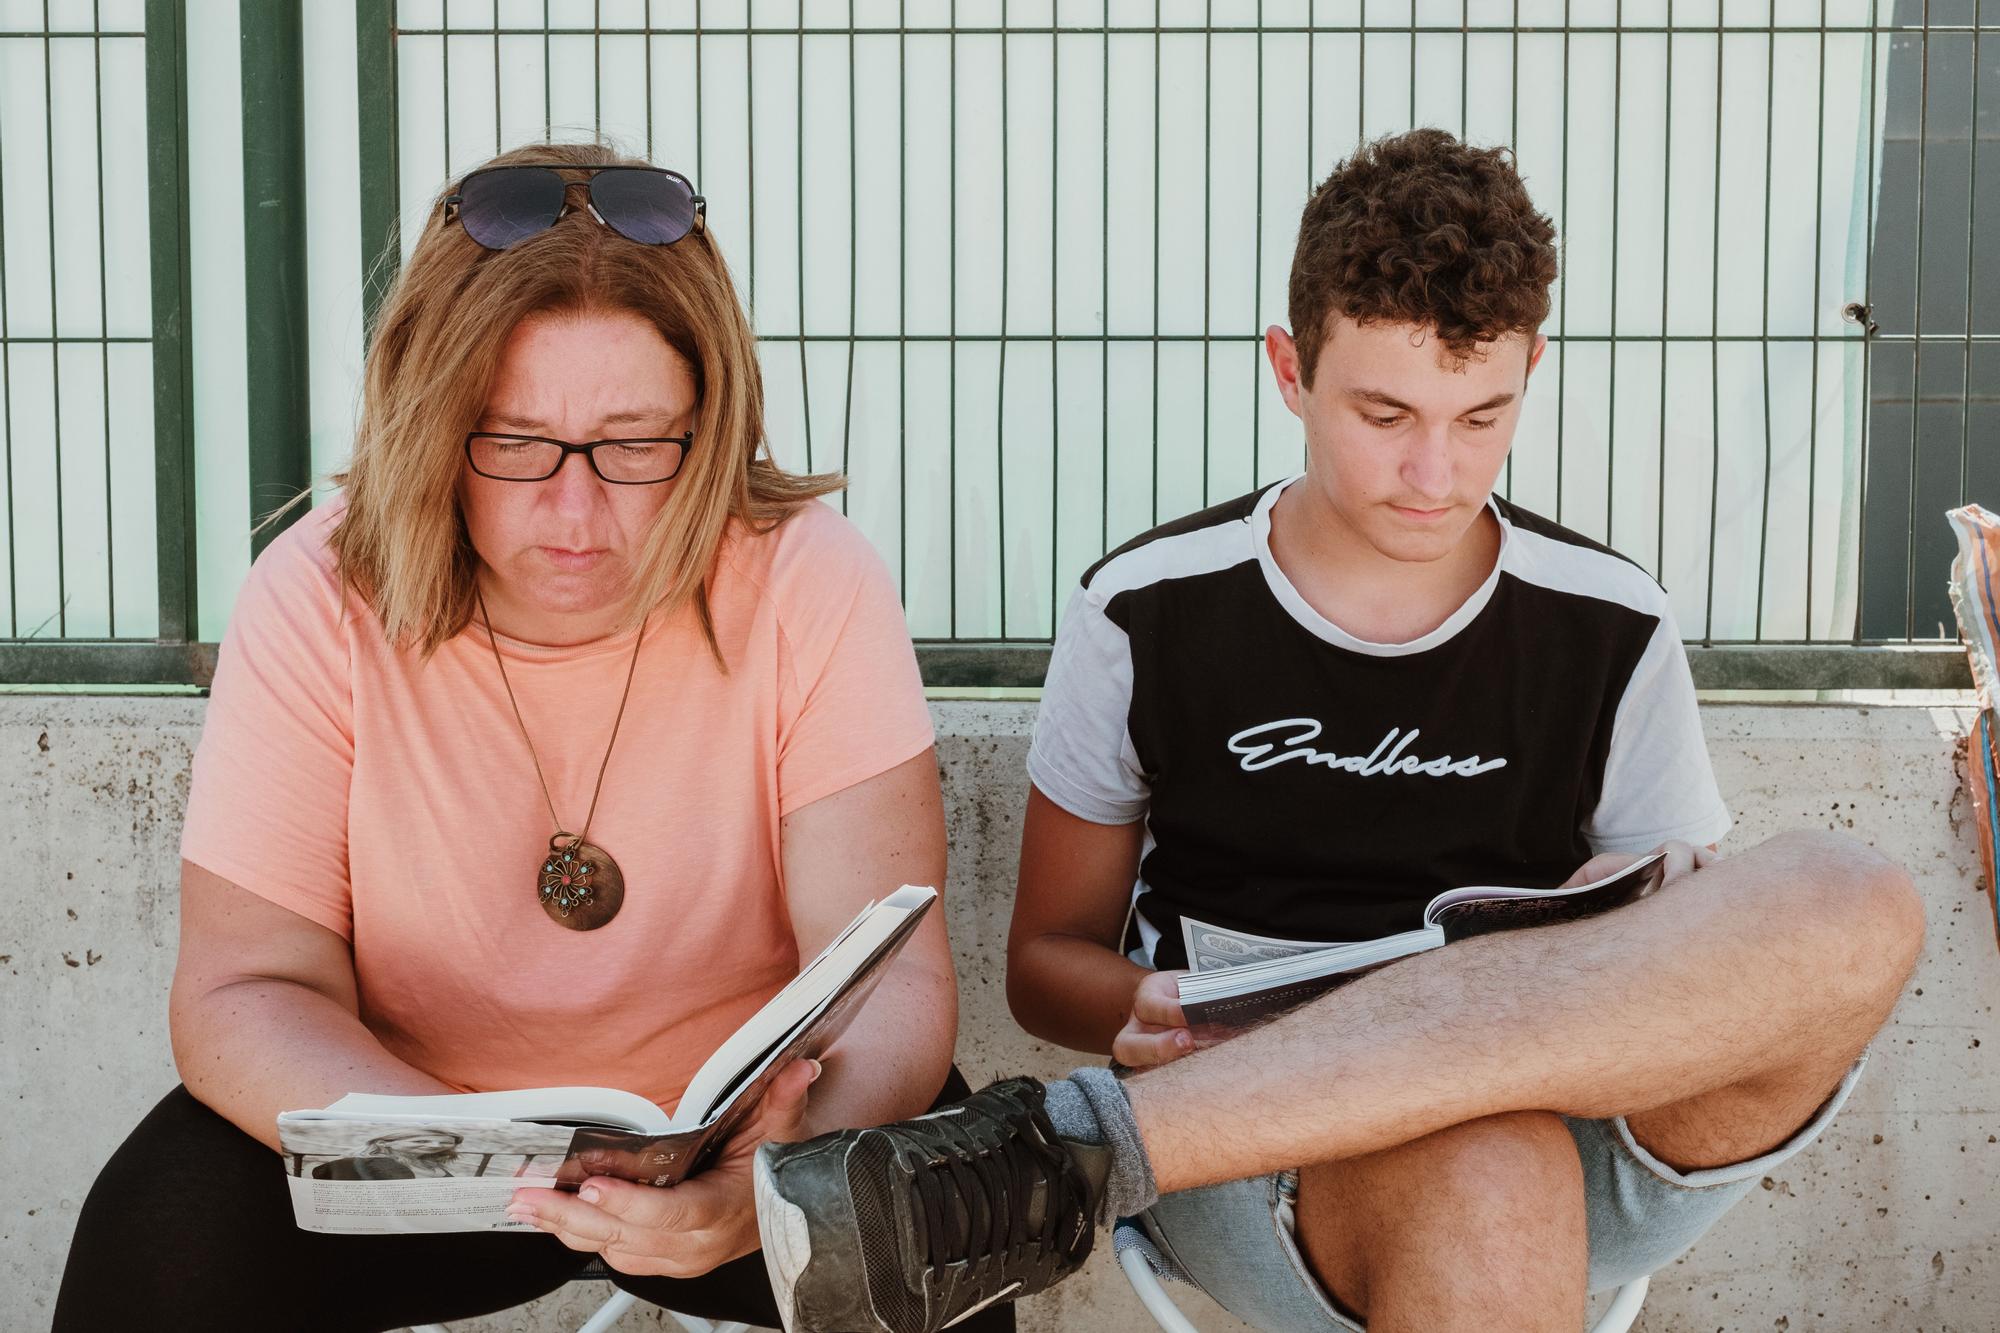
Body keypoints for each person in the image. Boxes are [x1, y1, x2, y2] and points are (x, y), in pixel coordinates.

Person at [749, 128, 1924, 1333]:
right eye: (1384, 411)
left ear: (1531, 370)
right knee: (1486, 1164)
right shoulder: (1146, 608)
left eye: (1482, 416)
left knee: (1853, 895)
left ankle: (1058, 1156)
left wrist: (1627, 924)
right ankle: (1112, 1141)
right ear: (1287, 371)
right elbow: (1045, 963)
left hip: (1588, 1129)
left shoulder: (1611, 618)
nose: (1432, 470)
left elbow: (1683, 955)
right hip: (1253, 1150)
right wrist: (1138, 1005)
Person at [54, 141, 1010, 1332]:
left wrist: (784, 1156)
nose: (574, 512)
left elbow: (894, 985)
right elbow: (244, 987)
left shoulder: (808, 578)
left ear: (708, 427)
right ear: (429, 421)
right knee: (164, 1235)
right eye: (510, 440)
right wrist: (469, 1158)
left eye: (633, 444)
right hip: (417, 1141)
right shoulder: (316, 593)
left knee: (923, 1242)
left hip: (742, 1147)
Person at [309, 1129, 465, 1181]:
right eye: (422, 1140)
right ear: (384, 1143)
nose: (435, 1146)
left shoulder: (427, 1161)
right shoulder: (373, 1164)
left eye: (445, 1143)